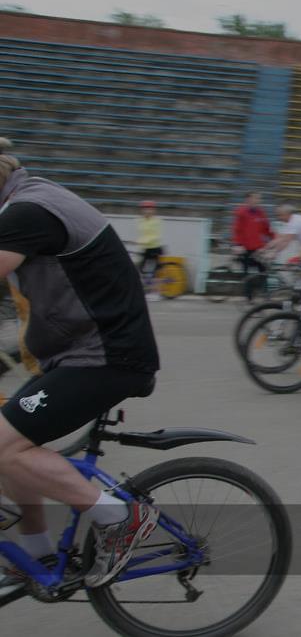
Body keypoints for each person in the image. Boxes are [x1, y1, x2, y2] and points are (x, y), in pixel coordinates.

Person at [0, 146, 161, 590]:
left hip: (106, 356)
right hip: (81, 354)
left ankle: (120, 517)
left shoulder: (28, 212)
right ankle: (35, 558)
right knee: (9, 447)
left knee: (3, 446)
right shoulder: (27, 202)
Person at [231, 192, 272, 301]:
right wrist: (237, 244)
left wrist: (274, 238)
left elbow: (266, 228)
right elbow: (237, 230)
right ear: (248, 199)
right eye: (256, 198)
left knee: (263, 270)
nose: (258, 201)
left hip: (258, 248)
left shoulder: (261, 213)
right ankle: (248, 297)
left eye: (259, 199)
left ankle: (265, 294)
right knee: (246, 273)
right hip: (245, 248)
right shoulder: (241, 212)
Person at [136, 199, 164, 301]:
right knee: (142, 271)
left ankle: (156, 293)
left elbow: (156, 235)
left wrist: (143, 241)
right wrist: (140, 241)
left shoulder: (157, 221)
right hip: (145, 249)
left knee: (153, 271)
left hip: (154, 248)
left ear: (153, 210)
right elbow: (142, 234)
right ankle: (148, 291)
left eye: (149, 209)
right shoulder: (140, 221)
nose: (146, 211)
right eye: (144, 209)